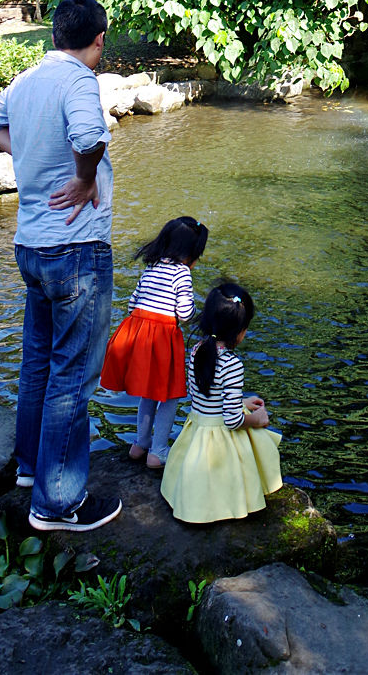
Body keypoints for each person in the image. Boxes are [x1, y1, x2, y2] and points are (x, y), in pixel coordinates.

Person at [0, 0, 122, 533]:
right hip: (76, 250)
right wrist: (83, 177)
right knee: (72, 374)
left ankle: (31, 469)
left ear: (55, 33)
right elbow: (88, 137)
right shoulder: (80, 81)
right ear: (98, 38)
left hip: (31, 248)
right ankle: (57, 503)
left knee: (38, 361)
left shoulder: (27, 79)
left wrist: (29, 154)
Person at [161, 282, 282, 523]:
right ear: (240, 331)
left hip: (198, 430)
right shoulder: (232, 364)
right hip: (219, 439)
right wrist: (255, 419)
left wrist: (242, 400)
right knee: (257, 439)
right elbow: (232, 420)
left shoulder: (197, 350)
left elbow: (206, 396)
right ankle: (233, 501)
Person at [100, 215, 209, 468]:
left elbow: (131, 304)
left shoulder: (152, 267)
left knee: (147, 394)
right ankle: (158, 451)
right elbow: (183, 313)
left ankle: (140, 443)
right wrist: (199, 316)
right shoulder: (181, 273)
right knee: (169, 396)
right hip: (162, 340)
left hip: (137, 333)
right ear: (190, 253)